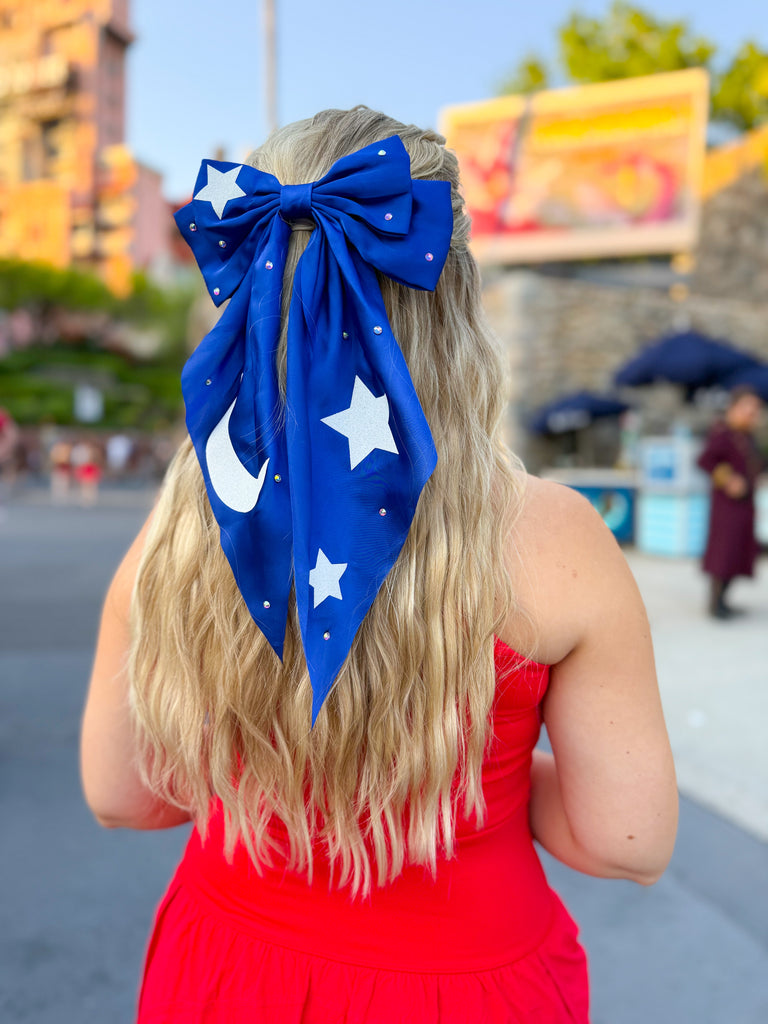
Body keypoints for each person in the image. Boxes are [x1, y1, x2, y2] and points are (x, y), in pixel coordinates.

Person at [81, 107, 678, 1023]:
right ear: (454, 303)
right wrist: (475, 777)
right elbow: (625, 839)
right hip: (468, 986)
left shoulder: (185, 520)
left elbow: (123, 796)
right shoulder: (555, 538)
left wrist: (276, 767)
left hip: (225, 973)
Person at [697, 386, 765, 619]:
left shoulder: (747, 437)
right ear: (733, 408)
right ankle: (716, 604)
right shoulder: (723, 434)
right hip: (727, 508)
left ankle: (724, 601)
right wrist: (728, 480)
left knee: (738, 553)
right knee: (724, 555)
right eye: (747, 408)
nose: (752, 414)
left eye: (755, 410)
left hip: (745, 506)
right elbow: (705, 461)